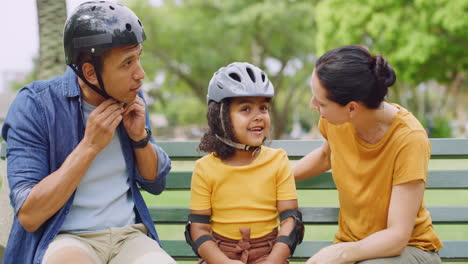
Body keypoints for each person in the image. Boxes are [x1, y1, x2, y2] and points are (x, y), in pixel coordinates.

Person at [0, 2, 175, 263]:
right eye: (127, 63)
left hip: (129, 237)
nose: (141, 74)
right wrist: (90, 146)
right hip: (64, 238)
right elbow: (29, 214)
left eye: (138, 58)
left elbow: (155, 182)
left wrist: (141, 139)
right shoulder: (35, 105)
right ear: (90, 72)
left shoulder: (131, 98)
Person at [294, 45, 443, 264]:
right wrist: (278, 176)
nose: (313, 105)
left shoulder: (409, 139)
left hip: (409, 251)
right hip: (355, 248)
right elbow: (327, 156)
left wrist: (339, 253)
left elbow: (396, 237)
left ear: (352, 108)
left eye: (321, 102)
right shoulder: (336, 120)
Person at [185, 62, 304, 264]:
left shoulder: (278, 160)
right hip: (220, 255)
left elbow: (290, 220)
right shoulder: (205, 169)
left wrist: (273, 261)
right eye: (246, 108)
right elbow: (198, 229)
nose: (258, 116)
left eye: (263, 108)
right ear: (220, 116)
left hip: (269, 253)